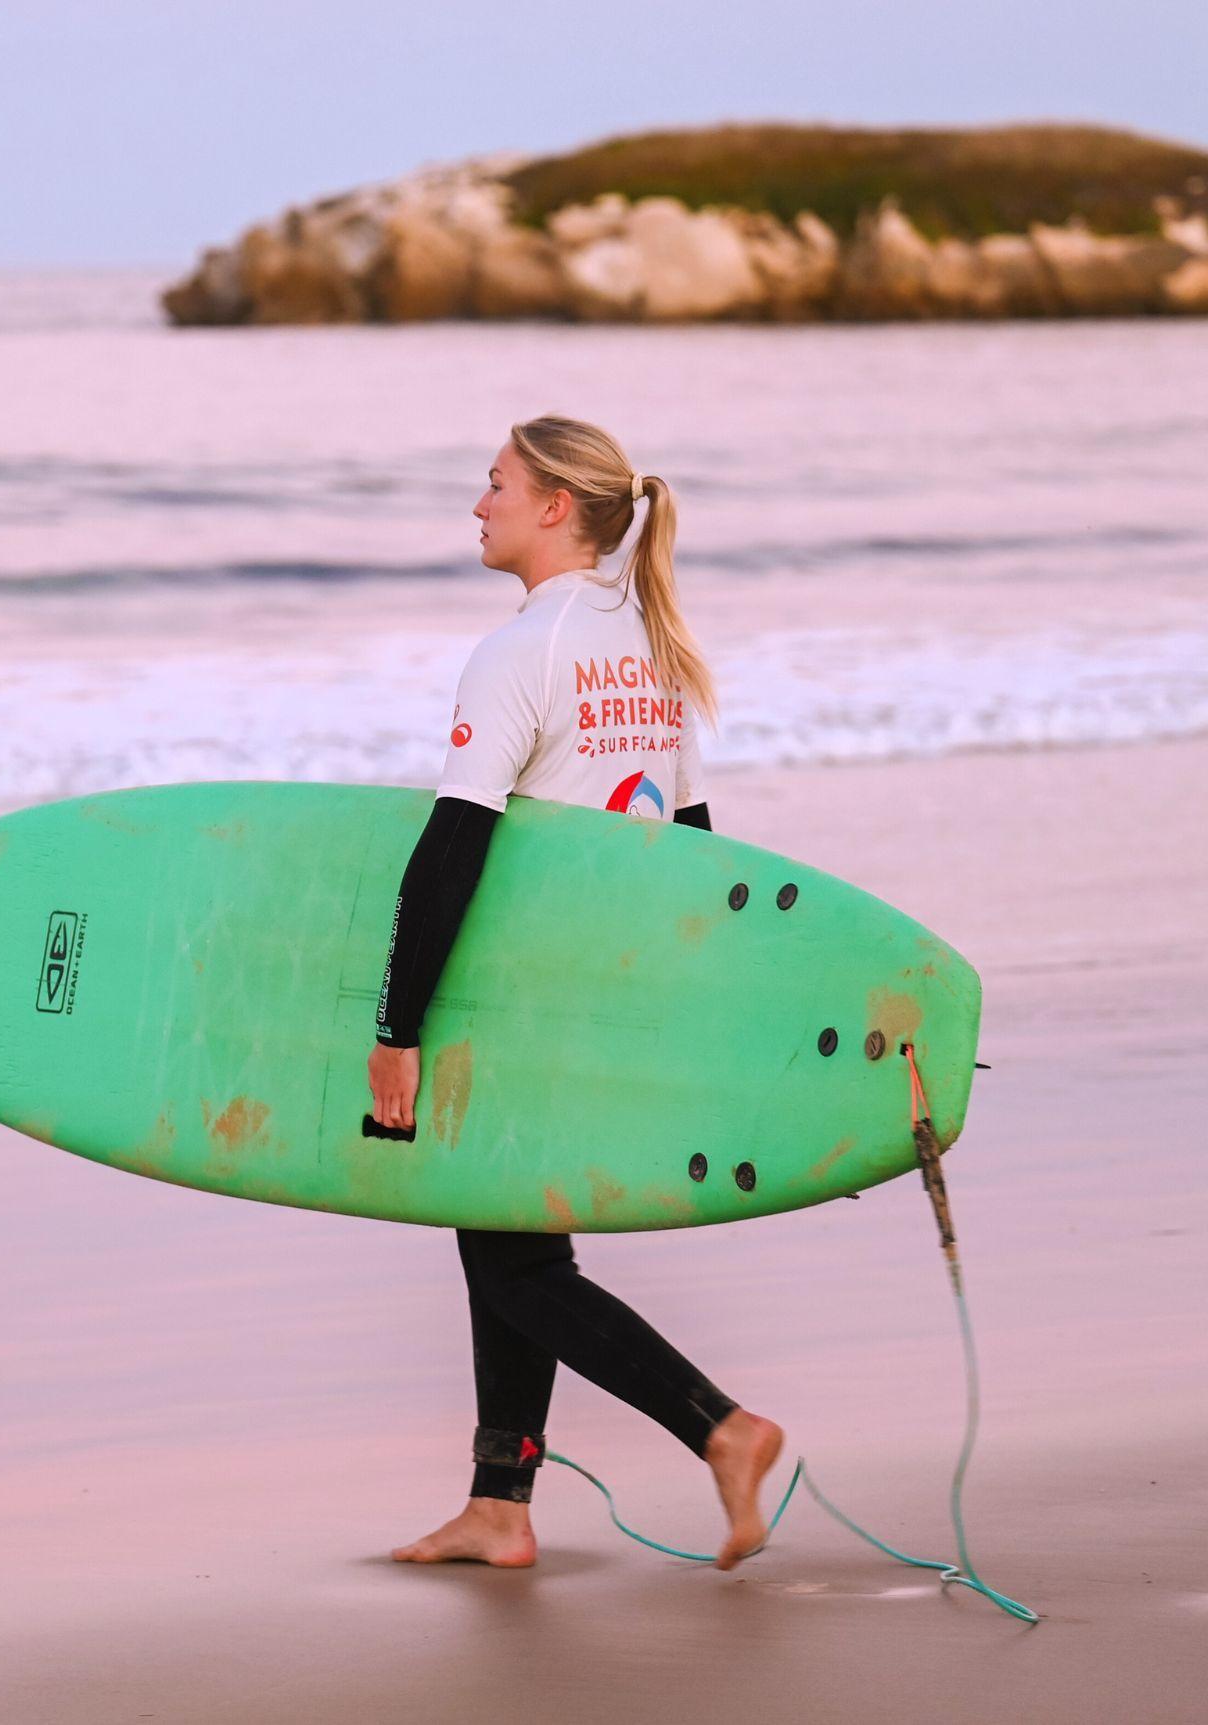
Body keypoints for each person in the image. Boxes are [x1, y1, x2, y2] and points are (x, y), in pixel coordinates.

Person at [373, 415, 784, 1572]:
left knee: (516, 1262)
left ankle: (721, 1429)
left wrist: (397, 1027)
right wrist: (689, 1010)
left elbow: (451, 850)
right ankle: (500, 1505)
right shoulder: (651, 648)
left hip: (525, 995)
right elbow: (695, 850)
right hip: (612, 995)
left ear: (556, 505)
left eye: (496, 484)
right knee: (502, 1236)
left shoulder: (524, 651)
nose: (478, 505)